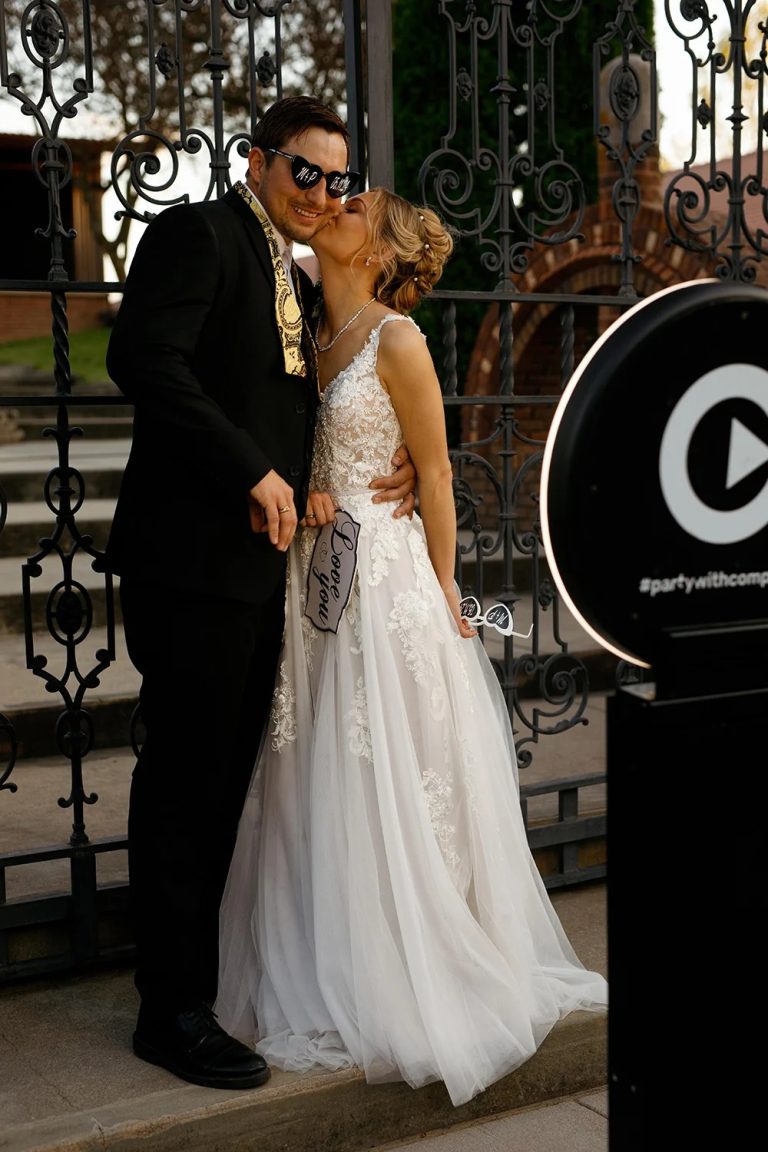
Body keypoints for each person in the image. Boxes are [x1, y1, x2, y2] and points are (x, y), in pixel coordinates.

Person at [215, 189, 608, 1107]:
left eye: (354, 204)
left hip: (384, 583)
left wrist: (442, 599)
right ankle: (330, 945)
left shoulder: (399, 340)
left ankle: (413, 953)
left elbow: (433, 474)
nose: (335, 206)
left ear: (381, 249)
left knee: (394, 762)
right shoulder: (307, 326)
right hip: (312, 578)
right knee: (318, 765)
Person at [103, 98, 416, 1091]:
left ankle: (199, 984)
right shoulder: (200, 233)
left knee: (219, 786)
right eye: (302, 172)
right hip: (191, 566)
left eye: (334, 179)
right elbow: (142, 359)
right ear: (257, 161)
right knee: (187, 786)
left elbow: (315, 388)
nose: (319, 192)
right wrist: (251, 469)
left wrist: (361, 463)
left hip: (257, 576)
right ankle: (173, 1013)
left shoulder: (290, 268)